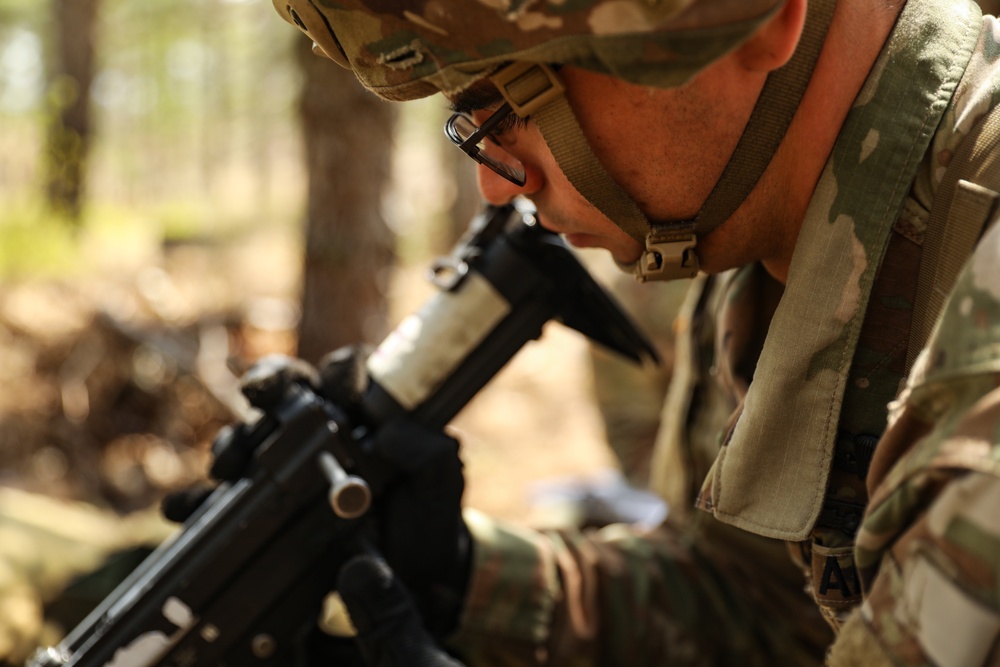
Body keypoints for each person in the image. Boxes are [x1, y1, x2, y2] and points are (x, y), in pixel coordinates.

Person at [270, 0, 1000, 665]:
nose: (496, 183)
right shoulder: (760, 225)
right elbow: (764, 609)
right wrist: (460, 575)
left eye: (502, 108)